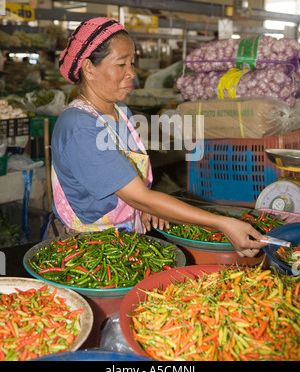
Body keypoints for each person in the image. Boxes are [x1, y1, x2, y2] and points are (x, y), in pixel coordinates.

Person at [49, 16, 266, 258]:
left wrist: (141, 208)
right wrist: (223, 223)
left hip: (122, 241)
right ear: (89, 68)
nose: (131, 73)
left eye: (132, 63)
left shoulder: (120, 112)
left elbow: (131, 188)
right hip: (88, 251)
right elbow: (139, 196)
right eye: (121, 64)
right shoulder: (80, 127)